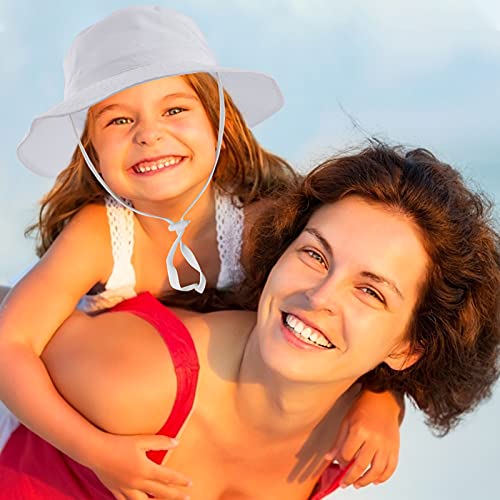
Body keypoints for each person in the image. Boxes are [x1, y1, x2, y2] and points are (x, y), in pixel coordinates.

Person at [0, 5, 403, 497]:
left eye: (174, 110)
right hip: (47, 413)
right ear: (92, 153)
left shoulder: (255, 224)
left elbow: (345, 312)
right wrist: (96, 451)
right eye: (119, 120)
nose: (148, 133)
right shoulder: (101, 232)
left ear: (218, 123)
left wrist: (382, 400)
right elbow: (9, 347)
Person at [1, 143, 498, 500]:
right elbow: (12, 336)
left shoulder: (350, 444)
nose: (318, 295)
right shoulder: (141, 383)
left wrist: (384, 400)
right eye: (314, 255)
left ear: (408, 349)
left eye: (369, 291)